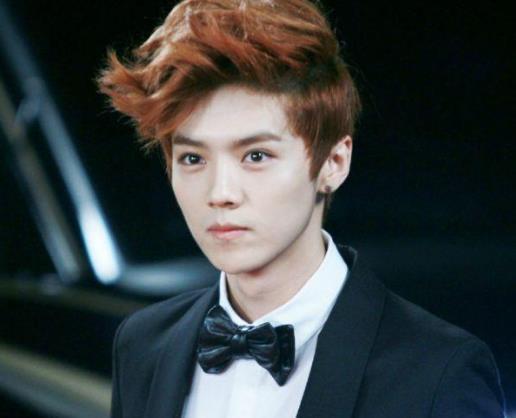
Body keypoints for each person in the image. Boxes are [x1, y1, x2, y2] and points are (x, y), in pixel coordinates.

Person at [97, 0, 507, 417]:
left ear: (334, 163)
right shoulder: (143, 345)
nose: (220, 193)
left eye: (256, 156)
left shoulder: (437, 373)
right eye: (193, 159)